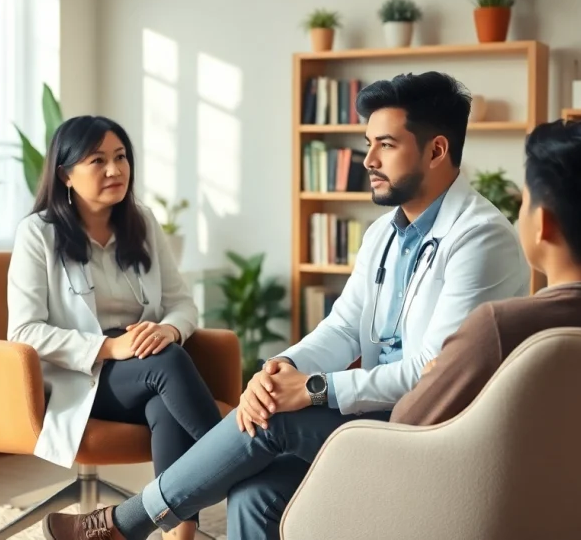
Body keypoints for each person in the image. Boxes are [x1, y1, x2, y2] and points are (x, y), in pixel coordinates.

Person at [41, 71, 531, 540]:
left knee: (274, 418)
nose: (368, 161)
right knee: (254, 490)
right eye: (368, 145)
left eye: (386, 144)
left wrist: (314, 390)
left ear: (437, 150)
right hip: (376, 416)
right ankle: (125, 524)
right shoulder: (384, 233)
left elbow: (431, 372)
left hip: (432, 428)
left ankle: (123, 525)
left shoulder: (479, 237)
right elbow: (341, 327)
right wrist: (282, 367)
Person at [7, 115, 222, 540]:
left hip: (149, 364)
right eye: (98, 160)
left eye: (121, 157)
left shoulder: (141, 223)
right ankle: (243, 461)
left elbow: (182, 304)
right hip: (82, 375)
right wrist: (109, 349)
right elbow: (24, 332)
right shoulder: (38, 234)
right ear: (66, 173)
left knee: (166, 404)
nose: (115, 170)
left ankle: (174, 536)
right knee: (167, 365)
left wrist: (170, 331)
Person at [390, 117, 581, 426]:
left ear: (543, 224)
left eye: (524, 202)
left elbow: (406, 422)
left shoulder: (500, 328)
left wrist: (432, 378)